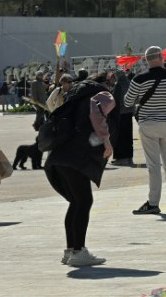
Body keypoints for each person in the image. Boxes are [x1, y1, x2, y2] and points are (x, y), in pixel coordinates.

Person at [44, 73, 115, 267]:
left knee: (76, 202)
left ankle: (70, 250)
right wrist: (106, 140)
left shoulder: (73, 94)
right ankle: (78, 251)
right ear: (106, 82)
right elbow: (96, 114)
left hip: (58, 154)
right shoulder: (103, 94)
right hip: (76, 155)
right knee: (84, 201)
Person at [126, 46, 166, 215]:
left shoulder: (139, 79)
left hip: (148, 124)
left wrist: (142, 97)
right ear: (162, 57)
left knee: (154, 166)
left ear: (146, 60)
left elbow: (127, 101)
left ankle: (153, 203)